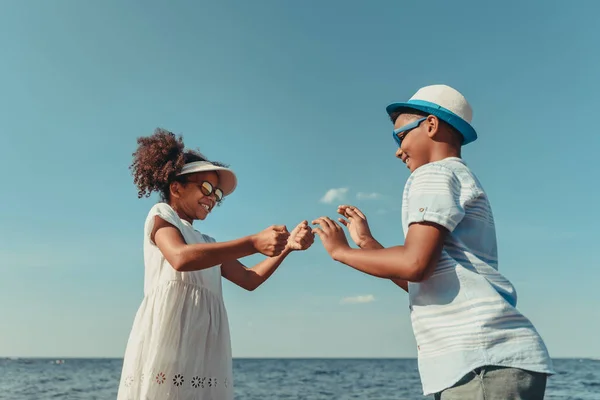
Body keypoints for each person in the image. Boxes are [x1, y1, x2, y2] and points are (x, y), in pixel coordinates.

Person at [312, 85, 554, 399]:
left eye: (400, 136)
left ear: (430, 125)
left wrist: (340, 251)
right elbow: (426, 276)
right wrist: (367, 244)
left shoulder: (433, 174)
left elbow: (416, 264)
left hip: (479, 360)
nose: (398, 151)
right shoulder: (460, 177)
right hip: (489, 360)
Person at [117, 128, 314, 400]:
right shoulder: (162, 215)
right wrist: (252, 242)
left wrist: (288, 247)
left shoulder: (206, 242)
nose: (212, 198)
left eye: (217, 194)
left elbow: (249, 279)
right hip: (168, 339)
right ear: (176, 187)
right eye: (206, 188)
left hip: (203, 346)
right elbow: (180, 257)